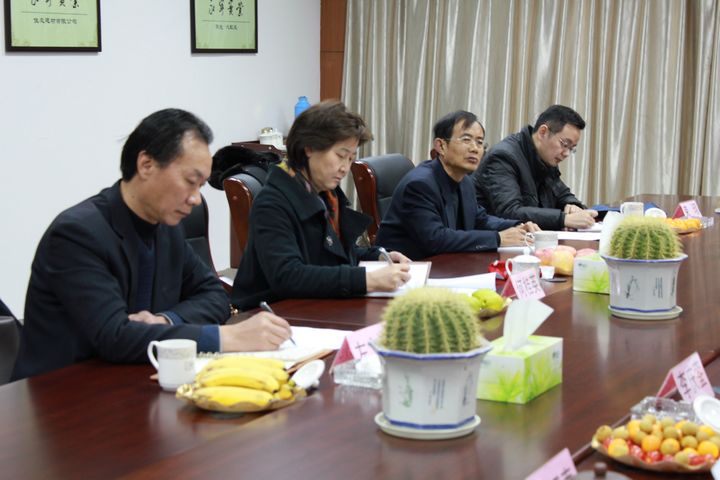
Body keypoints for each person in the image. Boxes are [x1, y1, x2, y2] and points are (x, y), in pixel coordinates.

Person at [12, 109, 291, 380]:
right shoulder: (77, 235)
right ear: (146, 164)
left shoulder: (165, 227)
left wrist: (167, 320)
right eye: (190, 181)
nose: (195, 199)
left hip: (135, 378)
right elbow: (114, 336)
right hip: (65, 392)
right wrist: (224, 338)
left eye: (201, 186)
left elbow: (215, 295)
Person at [231, 101, 410, 311]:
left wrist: (378, 255)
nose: (345, 168)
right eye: (340, 156)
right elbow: (288, 276)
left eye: (351, 159)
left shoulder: (325, 193)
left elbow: (336, 253)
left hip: (318, 304)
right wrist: (366, 280)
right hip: (274, 313)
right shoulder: (272, 203)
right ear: (309, 148)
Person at [375, 110, 539, 261]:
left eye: (479, 142)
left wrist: (517, 226)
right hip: (406, 268)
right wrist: (498, 238)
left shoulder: (464, 180)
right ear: (441, 146)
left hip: (443, 264)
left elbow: (480, 220)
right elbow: (435, 239)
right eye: (466, 140)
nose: (475, 149)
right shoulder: (420, 185)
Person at [473, 104, 598, 230]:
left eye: (571, 149)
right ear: (543, 132)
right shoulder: (503, 157)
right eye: (565, 144)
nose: (566, 153)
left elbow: (562, 194)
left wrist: (573, 206)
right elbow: (510, 212)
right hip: (494, 238)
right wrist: (563, 219)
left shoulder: (545, 159)